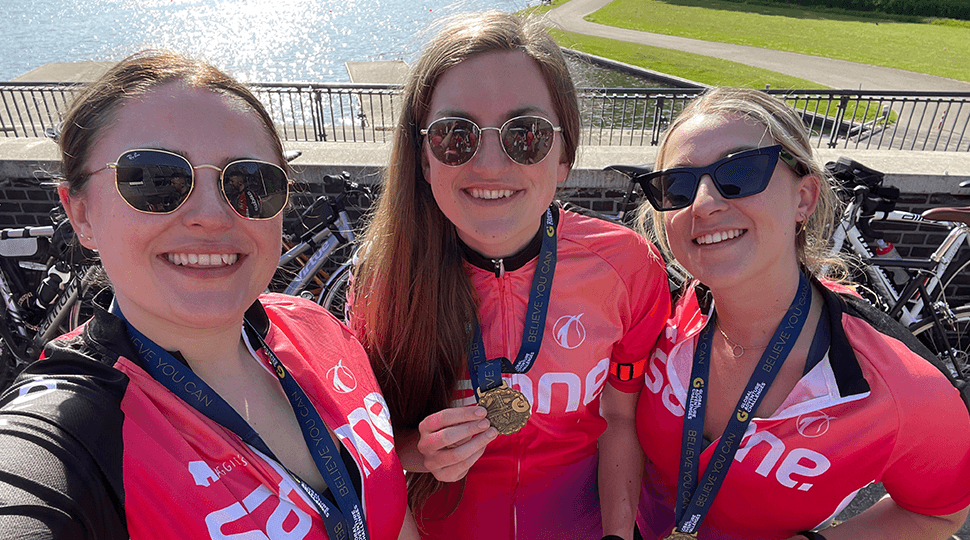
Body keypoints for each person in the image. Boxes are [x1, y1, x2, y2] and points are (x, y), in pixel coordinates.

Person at [0, 51, 417, 540]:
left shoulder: (319, 328)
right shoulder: (71, 432)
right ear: (82, 213)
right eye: (155, 180)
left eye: (249, 183)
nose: (213, 216)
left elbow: (391, 519)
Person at [349, 11, 670, 540]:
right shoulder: (383, 278)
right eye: (456, 136)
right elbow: (366, 437)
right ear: (424, 159)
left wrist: (617, 534)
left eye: (527, 135)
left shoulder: (628, 266)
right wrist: (417, 452)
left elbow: (620, 418)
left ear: (564, 156)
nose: (491, 165)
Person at [628, 87, 970, 539]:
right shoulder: (655, 310)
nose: (705, 203)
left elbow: (939, 513)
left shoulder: (904, 388)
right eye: (679, 185)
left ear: (805, 198)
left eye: (741, 171)